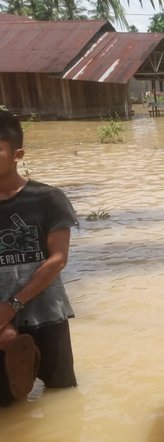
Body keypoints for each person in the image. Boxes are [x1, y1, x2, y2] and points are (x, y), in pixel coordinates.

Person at [0, 108, 78, 406]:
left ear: (17, 154)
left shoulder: (47, 199)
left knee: (62, 398)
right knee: (7, 408)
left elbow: (57, 260)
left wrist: (12, 307)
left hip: (48, 314)